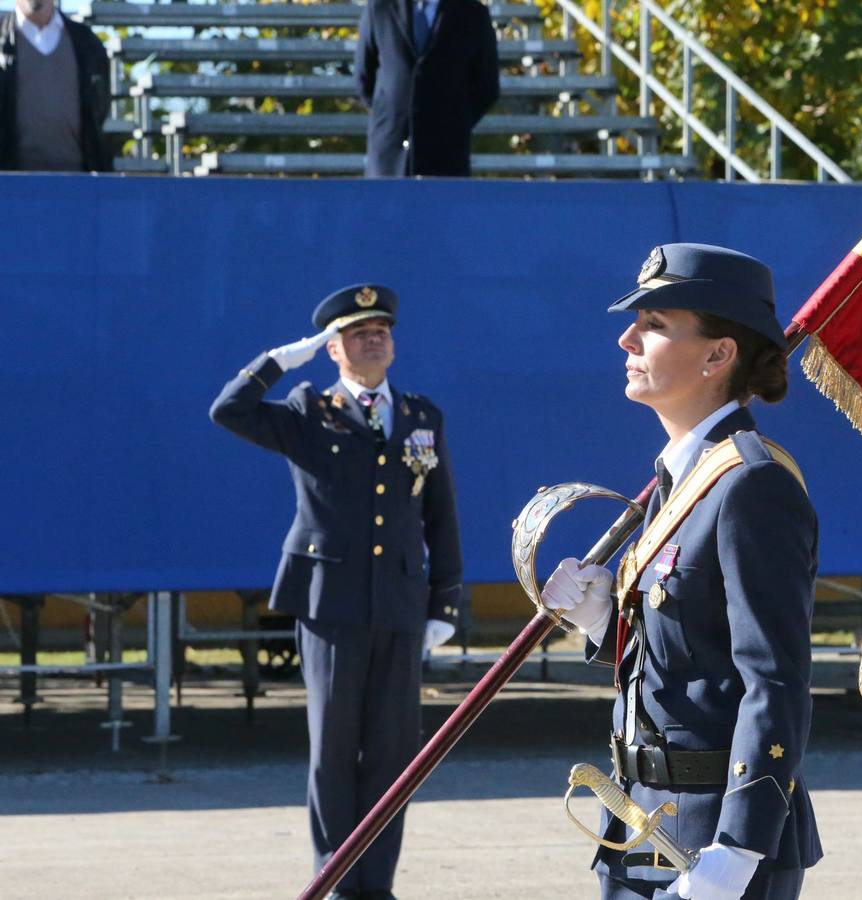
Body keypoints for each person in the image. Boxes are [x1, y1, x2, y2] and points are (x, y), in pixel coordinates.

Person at [540, 243, 822, 900]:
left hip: (710, 838)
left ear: (717, 355)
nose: (627, 338)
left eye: (655, 324)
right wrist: (605, 624)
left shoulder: (750, 483)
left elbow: (774, 680)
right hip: (640, 824)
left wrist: (739, 847)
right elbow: (694, 656)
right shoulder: (682, 476)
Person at [210, 285, 463, 900]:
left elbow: (440, 513)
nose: (374, 338)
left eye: (381, 329)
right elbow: (229, 410)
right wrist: (278, 361)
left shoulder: (420, 415)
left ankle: (377, 884)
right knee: (334, 748)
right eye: (357, 332)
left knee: (393, 752)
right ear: (332, 348)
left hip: (400, 601)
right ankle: (338, 879)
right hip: (330, 602)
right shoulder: (307, 410)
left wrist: (445, 601)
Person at [355, 0, 500, 177]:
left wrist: (451, 122)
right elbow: (364, 79)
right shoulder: (380, 8)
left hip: (446, 159)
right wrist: (395, 116)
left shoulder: (473, 13)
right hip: (389, 158)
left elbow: (487, 86)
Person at [0, 0, 112, 172]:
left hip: (78, 182)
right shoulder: (2, 41)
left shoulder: (87, 43)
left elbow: (99, 111)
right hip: (10, 184)